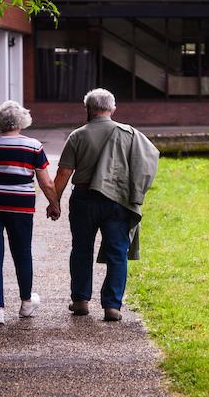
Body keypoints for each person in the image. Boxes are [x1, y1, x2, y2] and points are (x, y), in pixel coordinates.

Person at [50, 89, 159, 322]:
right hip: (117, 201)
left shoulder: (78, 135)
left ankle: (80, 301)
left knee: (81, 249)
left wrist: (54, 202)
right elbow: (145, 164)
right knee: (117, 252)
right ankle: (112, 306)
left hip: (84, 199)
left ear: (88, 109)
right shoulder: (130, 134)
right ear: (113, 108)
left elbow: (64, 173)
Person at [0, 100, 59, 325]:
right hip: (20, 207)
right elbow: (46, 182)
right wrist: (54, 204)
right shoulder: (32, 145)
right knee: (22, 252)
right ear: (22, 121)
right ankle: (26, 303)